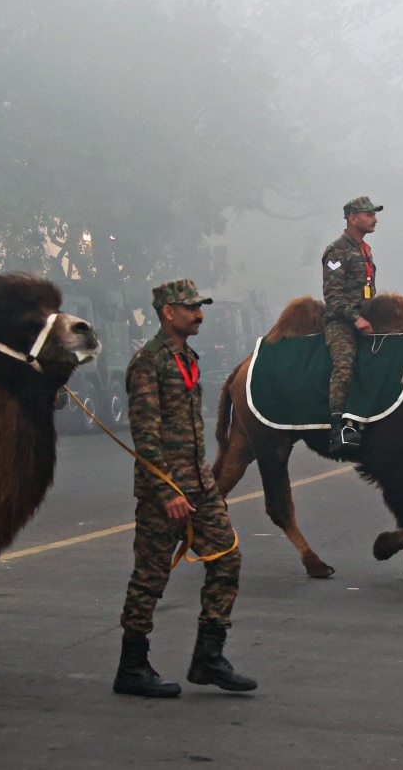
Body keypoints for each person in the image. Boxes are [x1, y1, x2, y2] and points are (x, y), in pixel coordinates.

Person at [114, 278, 256, 698]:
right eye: (190, 307)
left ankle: (208, 657)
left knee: (227, 558)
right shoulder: (149, 363)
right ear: (167, 312)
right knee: (150, 578)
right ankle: (132, 667)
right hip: (167, 492)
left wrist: (203, 481)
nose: (199, 314)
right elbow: (146, 435)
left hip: (200, 486)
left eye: (200, 307)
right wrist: (167, 490)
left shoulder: (187, 357)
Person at [322, 196, 381, 457]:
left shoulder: (364, 249)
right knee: (344, 364)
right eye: (369, 214)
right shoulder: (337, 251)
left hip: (367, 318)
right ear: (352, 218)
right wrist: (355, 319)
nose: (375, 218)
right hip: (342, 322)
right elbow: (333, 298)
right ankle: (339, 429)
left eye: (374, 214)